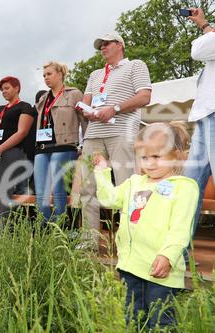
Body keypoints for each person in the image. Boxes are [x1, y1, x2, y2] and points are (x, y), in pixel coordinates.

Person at [93, 123, 198, 329]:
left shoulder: (184, 187)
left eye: (156, 157)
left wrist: (167, 256)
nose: (149, 163)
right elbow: (109, 198)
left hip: (160, 271)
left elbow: (180, 228)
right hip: (130, 268)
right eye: (144, 157)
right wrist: (102, 172)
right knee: (132, 319)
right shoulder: (135, 182)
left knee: (160, 322)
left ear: (175, 155)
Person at [79, 32, 152, 250]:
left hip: (122, 132)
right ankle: (89, 240)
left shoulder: (136, 66)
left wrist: (115, 109)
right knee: (88, 188)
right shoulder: (95, 74)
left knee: (126, 185)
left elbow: (145, 97)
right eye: (99, 45)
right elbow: (86, 104)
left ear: (119, 45)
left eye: (106, 43)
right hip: (93, 135)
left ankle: (128, 240)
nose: (102, 48)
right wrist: (88, 112)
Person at [33, 61, 86, 224]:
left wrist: (85, 145)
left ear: (60, 74)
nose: (45, 78)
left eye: (49, 74)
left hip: (64, 145)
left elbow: (85, 121)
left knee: (58, 189)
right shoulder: (43, 98)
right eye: (44, 75)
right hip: (42, 147)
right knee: (41, 192)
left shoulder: (74, 93)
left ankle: (60, 227)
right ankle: (44, 227)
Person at [0, 76, 36, 226]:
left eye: (7, 88)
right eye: (2, 90)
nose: (3, 92)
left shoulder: (25, 107)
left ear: (17, 88)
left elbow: (22, 132)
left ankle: (6, 232)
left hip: (12, 152)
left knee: (6, 193)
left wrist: (0, 148)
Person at [183, 8, 215, 253]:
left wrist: (205, 26)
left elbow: (198, 50)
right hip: (205, 116)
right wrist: (205, 26)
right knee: (188, 189)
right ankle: (179, 254)